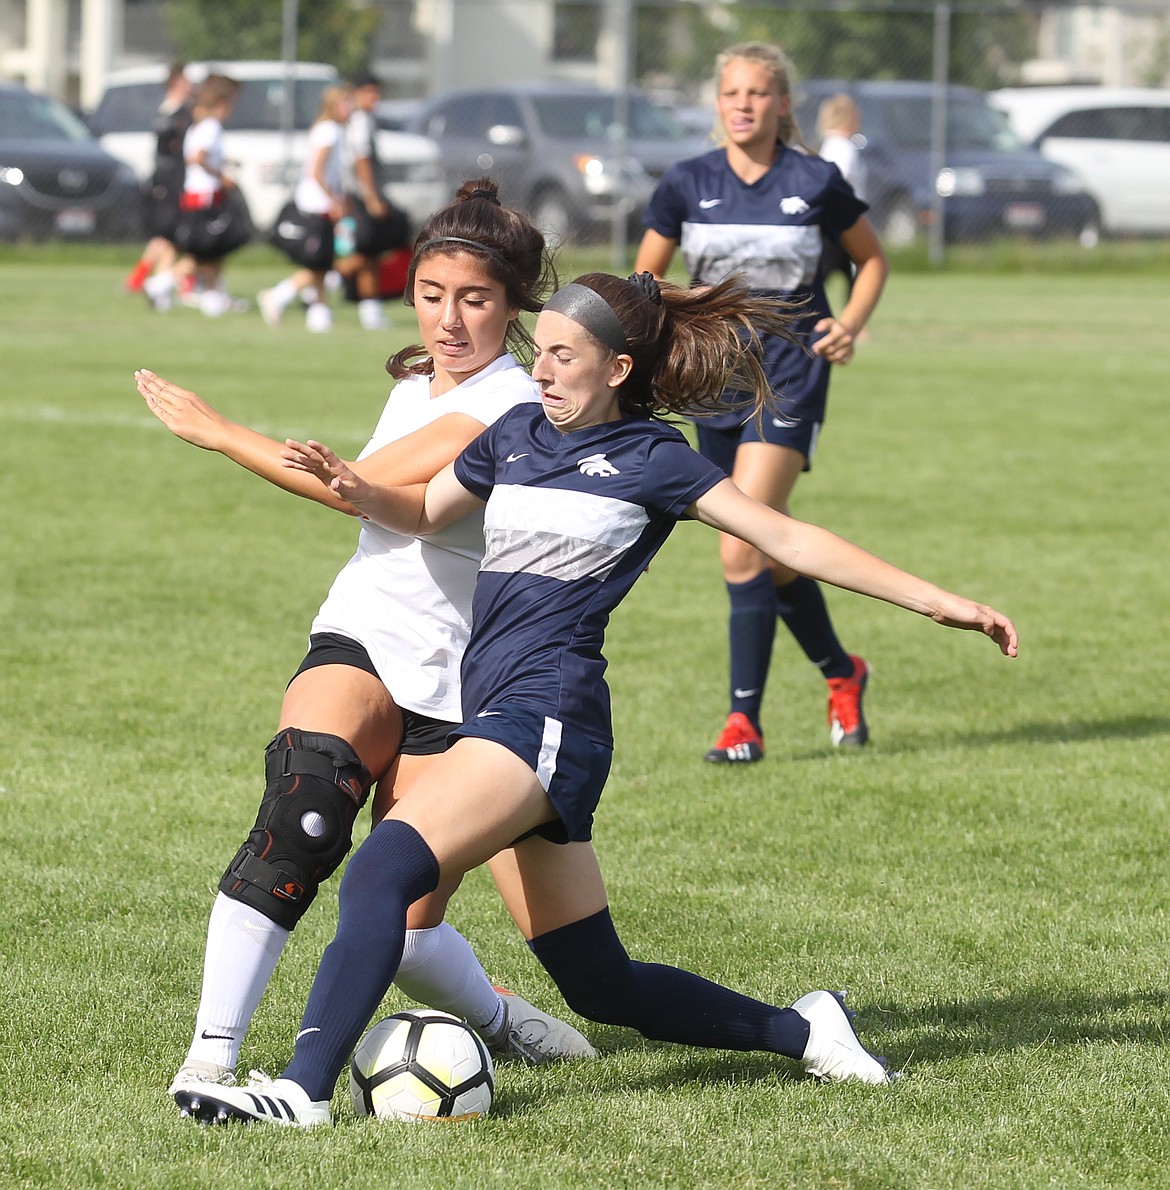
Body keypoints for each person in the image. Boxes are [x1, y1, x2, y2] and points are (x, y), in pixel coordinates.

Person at [173, 269, 1017, 1126]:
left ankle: (303, 1092)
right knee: (601, 985)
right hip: (502, 721)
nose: (538, 372)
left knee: (382, 872)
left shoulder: (656, 460)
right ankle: (805, 1032)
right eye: (540, 355)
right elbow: (425, 510)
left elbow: (785, 534)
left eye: (562, 358)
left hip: (547, 717)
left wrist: (938, 600)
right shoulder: (514, 434)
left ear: (616, 370)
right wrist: (357, 489)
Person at [137, 179, 598, 1106]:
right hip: (364, 630)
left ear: (512, 306)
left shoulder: (508, 402)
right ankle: (212, 1058)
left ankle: (500, 1020)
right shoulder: (415, 381)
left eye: (474, 300)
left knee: (409, 931)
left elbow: (361, 486)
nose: (450, 320)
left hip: (463, 676)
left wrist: (220, 432)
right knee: (302, 816)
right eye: (432, 296)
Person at [633, 42, 890, 765]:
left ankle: (742, 722)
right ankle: (843, 671)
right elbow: (644, 282)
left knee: (741, 545)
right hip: (713, 377)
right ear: (717, 104)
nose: (743, 104)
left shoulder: (815, 179)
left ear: (781, 104)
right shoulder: (687, 182)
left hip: (791, 372)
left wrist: (850, 322)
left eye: (757, 93)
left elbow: (871, 258)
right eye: (731, 93)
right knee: (770, 545)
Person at [258, 85, 353, 333]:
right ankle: (278, 295)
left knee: (323, 262)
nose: (349, 109)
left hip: (319, 202)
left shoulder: (327, 130)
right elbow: (317, 171)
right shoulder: (329, 131)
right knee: (318, 264)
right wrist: (335, 200)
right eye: (345, 103)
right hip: (318, 204)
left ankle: (319, 313)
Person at [161, 73, 245, 318]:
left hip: (197, 195)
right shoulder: (211, 127)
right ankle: (163, 284)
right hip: (206, 197)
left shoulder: (198, 126)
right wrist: (221, 176)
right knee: (208, 251)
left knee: (213, 251)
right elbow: (198, 157)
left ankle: (214, 296)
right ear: (220, 104)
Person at [336, 70, 411, 332]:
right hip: (362, 198)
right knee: (373, 247)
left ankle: (371, 310)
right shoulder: (360, 121)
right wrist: (372, 196)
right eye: (369, 92)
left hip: (360, 197)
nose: (374, 98)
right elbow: (362, 160)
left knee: (369, 254)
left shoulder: (360, 119)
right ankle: (328, 276)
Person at [130, 62, 194, 308]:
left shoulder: (183, 111)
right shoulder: (169, 113)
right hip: (168, 182)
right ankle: (155, 284)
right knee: (169, 236)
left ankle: (151, 285)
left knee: (169, 238)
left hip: (177, 181)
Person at [816, 93, 867, 300]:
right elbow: (839, 178)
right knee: (860, 266)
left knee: (837, 270)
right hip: (844, 221)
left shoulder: (828, 144)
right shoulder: (844, 147)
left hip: (833, 220)